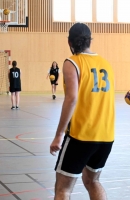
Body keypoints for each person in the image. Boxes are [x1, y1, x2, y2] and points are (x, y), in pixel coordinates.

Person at [50, 23, 115, 200]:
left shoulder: (72, 62)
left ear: (69, 42)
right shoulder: (105, 64)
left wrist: (59, 135)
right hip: (106, 136)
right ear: (90, 40)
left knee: (63, 189)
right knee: (92, 181)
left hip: (82, 135)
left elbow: (71, 99)